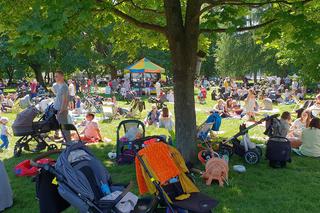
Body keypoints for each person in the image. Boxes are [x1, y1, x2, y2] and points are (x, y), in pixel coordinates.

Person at [53, 70, 70, 140]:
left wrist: (62, 110)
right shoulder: (59, 86)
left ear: (62, 77)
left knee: (64, 128)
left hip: (61, 110)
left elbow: (65, 99)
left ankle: (68, 142)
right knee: (61, 127)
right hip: (58, 109)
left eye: (57, 76)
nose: (55, 78)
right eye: (55, 76)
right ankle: (66, 141)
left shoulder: (64, 86)